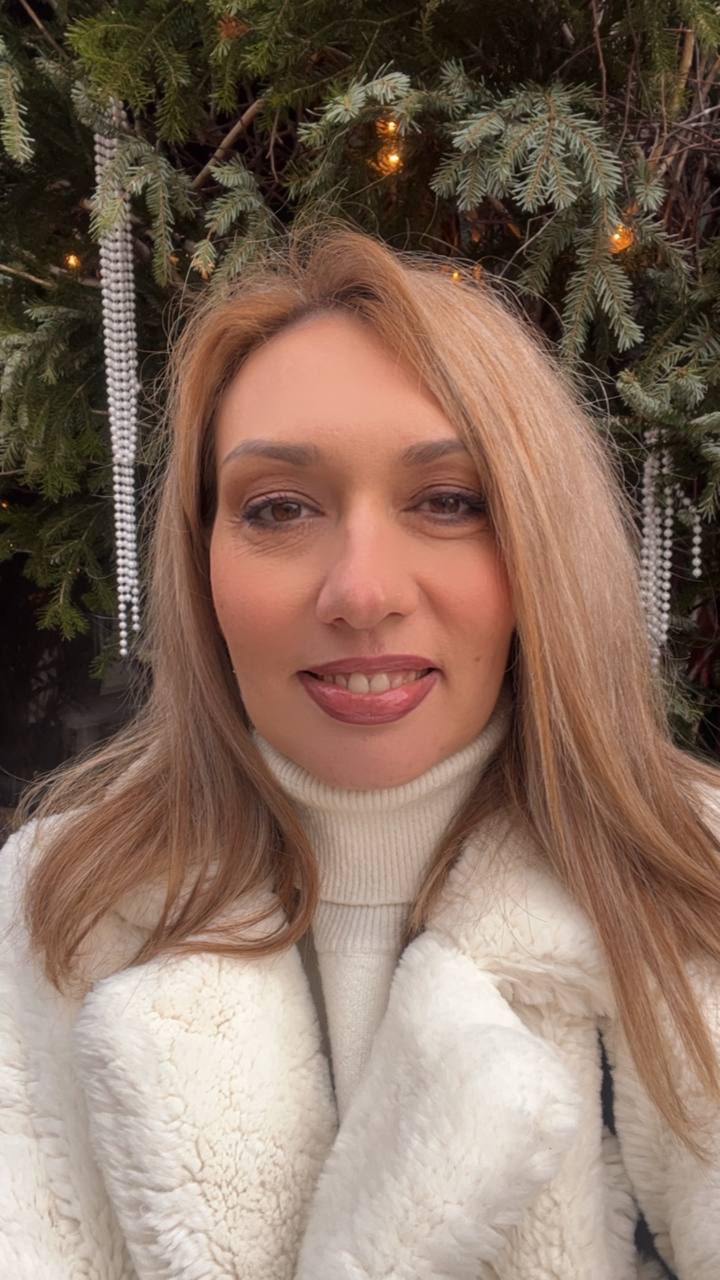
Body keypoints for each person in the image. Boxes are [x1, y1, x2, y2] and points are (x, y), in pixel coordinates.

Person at [1, 221, 720, 1280]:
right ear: (202, 559)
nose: (362, 592)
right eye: (279, 508)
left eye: (449, 501)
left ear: (541, 544)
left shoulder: (699, 883)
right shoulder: (46, 912)